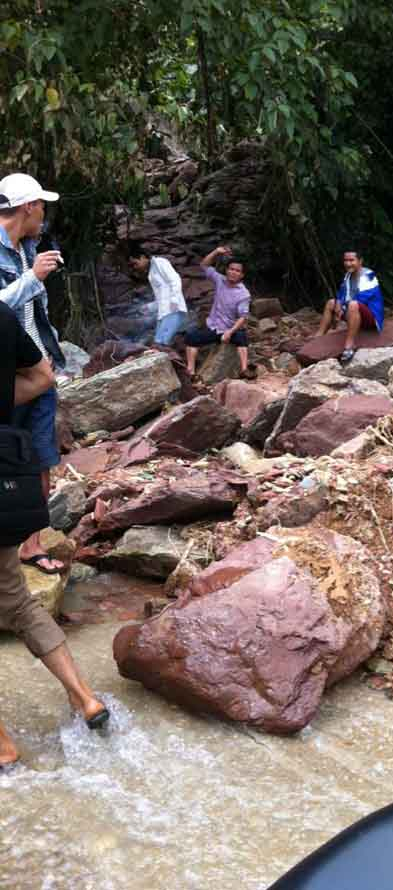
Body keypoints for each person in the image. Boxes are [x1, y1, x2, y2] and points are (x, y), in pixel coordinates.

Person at [0, 300, 109, 767]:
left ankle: (3, 745)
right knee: (18, 603)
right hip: (4, 485)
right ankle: (85, 698)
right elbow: (43, 376)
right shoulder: (2, 317)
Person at [0, 173, 67, 575]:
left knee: (40, 457)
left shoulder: (29, 248)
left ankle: (32, 544)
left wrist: (51, 352)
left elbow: (35, 314)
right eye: (42, 205)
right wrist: (33, 278)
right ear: (29, 207)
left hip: (38, 368)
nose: (44, 213)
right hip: (7, 372)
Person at [184, 245, 255, 379]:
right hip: (214, 327)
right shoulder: (220, 280)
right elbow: (204, 265)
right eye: (231, 269)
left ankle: (244, 369)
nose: (233, 272)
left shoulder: (243, 294)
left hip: (229, 329)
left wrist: (230, 331)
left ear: (242, 275)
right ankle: (191, 371)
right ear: (226, 270)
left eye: (237, 271)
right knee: (190, 337)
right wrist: (216, 251)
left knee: (242, 338)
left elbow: (243, 317)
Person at [316, 249, 385, 363]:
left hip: (369, 317)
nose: (348, 263)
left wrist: (342, 309)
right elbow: (341, 293)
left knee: (353, 305)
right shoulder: (348, 275)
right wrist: (338, 303)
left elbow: (362, 298)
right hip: (352, 312)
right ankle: (319, 336)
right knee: (331, 303)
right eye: (346, 260)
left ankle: (349, 345)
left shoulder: (369, 276)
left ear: (360, 261)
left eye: (351, 260)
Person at [127, 246, 189, 346]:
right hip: (164, 313)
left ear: (142, 257)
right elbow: (161, 296)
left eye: (135, 263)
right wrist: (150, 307)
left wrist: (174, 300)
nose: (135, 267)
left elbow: (175, 279)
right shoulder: (151, 272)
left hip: (173, 309)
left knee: (161, 343)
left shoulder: (160, 262)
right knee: (158, 342)